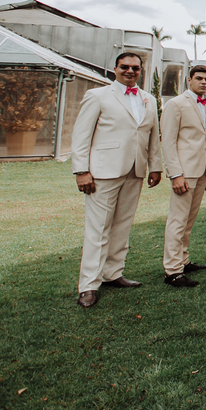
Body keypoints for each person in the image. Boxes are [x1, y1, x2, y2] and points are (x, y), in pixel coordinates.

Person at [71, 52, 163, 308]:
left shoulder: (149, 100)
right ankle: (89, 285)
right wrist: (81, 171)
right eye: (125, 67)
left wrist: (155, 167)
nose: (130, 71)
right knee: (98, 229)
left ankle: (113, 273)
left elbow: (153, 136)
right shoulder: (98, 96)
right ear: (115, 68)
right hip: (102, 172)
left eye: (135, 68)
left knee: (122, 225)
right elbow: (81, 136)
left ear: (141, 71)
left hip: (135, 171)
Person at [160, 65, 206, 287]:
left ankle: (183, 259)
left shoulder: (204, 105)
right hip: (184, 173)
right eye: (199, 78)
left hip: (200, 172)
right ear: (189, 80)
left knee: (188, 221)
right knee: (177, 220)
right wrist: (176, 175)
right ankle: (172, 271)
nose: (204, 82)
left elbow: (202, 141)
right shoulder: (176, 104)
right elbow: (168, 141)